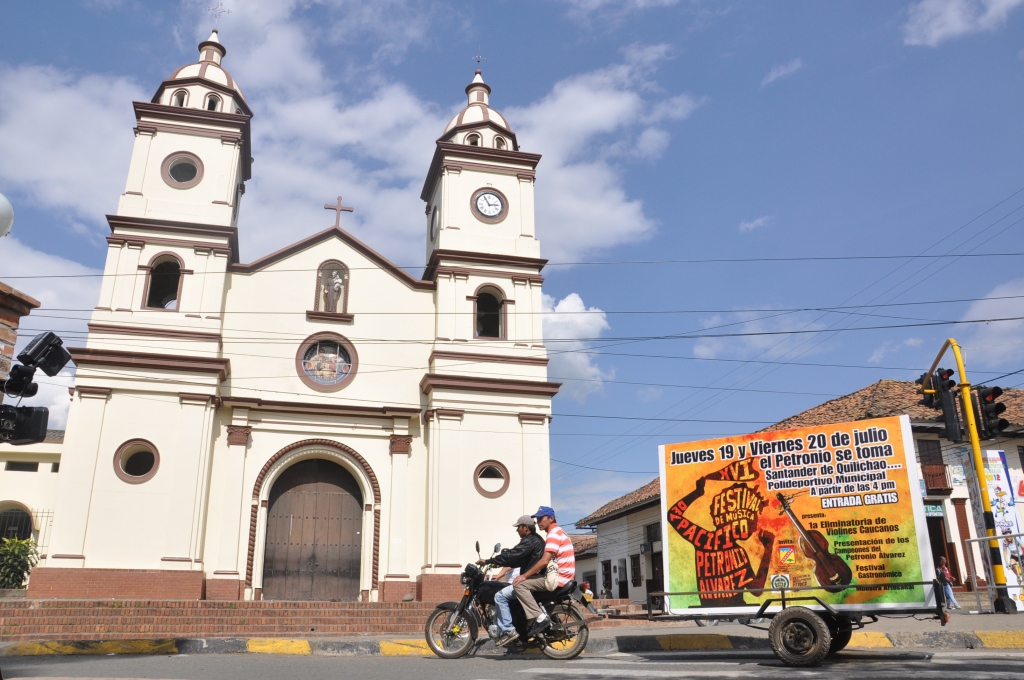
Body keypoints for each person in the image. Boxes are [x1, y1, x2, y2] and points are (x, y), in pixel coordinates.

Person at [478, 515, 545, 647]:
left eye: (518, 527)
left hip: (529, 580)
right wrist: (498, 563)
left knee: (500, 596)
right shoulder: (537, 540)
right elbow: (519, 560)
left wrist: (488, 561)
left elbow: (513, 554)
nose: (517, 530)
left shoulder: (529, 541)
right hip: (535, 578)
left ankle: (508, 630)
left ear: (526, 527)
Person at [513, 506, 575, 637]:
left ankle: (540, 618)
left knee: (519, 584)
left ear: (551, 518)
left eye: (541, 518)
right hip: (566, 576)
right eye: (537, 519)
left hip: (559, 578)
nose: (539, 522)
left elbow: (544, 561)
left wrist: (524, 575)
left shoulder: (553, 535)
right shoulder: (560, 532)